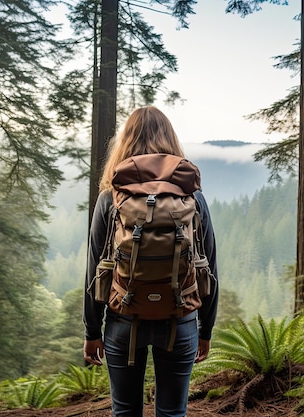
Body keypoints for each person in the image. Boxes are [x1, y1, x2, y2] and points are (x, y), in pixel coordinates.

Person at [83, 106, 219, 417]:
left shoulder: (111, 198)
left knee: (125, 411)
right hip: (180, 317)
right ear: (171, 140)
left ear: (125, 142)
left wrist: (92, 330)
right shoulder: (192, 197)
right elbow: (208, 265)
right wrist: (205, 328)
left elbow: (95, 267)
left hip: (123, 318)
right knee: (172, 413)